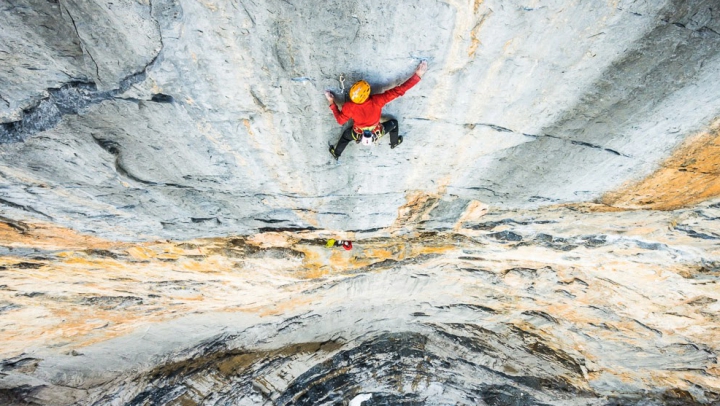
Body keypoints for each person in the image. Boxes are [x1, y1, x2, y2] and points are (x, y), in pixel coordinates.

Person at [325, 61, 428, 160]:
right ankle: (394, 142)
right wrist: (417, 76)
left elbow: (340, 121)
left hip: (357, 133)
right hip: (376, 132)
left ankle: (336, 153)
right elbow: (398, 91)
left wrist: (331, 102)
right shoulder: (377, 101)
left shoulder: (349, 107)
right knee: (394, 123)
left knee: (346, 136)